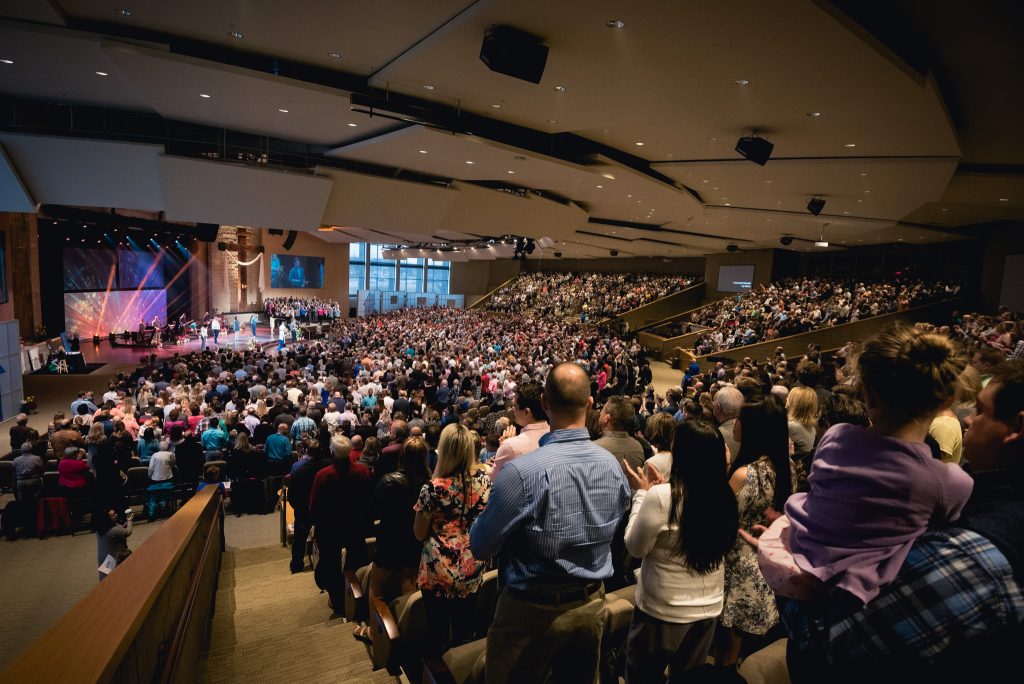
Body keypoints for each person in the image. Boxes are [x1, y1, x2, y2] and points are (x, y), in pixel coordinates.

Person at [774, 359, 1024, 683]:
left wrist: (781, 557)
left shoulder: (977, 555)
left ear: (1017, 429)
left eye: (980, 409)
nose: (969, 420)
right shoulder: (958, 488)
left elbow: (824, 639)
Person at [757, 327, 974, 605]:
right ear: (947, 400)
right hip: (857, 597)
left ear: (867, 395)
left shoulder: (836, 436)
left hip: (797, 561)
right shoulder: (952, 482)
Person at [470, 362, 631, 684]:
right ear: (589, 404)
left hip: (529, 612)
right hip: (590, 605)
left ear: (543, 403)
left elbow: (480, 546)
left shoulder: (521, 473)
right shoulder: (613, 467)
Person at [622, 421, 739, 682]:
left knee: (642, 676)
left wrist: (642, 495)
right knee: (689, 678)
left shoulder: (663, 497)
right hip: (708, 607)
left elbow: (634, 546)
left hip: (664, 609)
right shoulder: (725, 495)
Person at [716, 395, 794, 668]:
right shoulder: (785, 467)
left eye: (740, 420)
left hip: (737, 568)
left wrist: (722, 470)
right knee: (740, 655)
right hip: (766, 566)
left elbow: (718, 517)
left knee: (726, 656)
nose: (734, 424)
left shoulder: (745, 474)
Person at [414, 423, 492, 655]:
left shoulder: (432, 488)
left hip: (437, 566)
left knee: (437, 630)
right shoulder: (485, 481)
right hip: (473, 560)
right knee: (465, 628)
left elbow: (419, 533)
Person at [354, 436, 431, 642]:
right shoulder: (431, 483)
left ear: (403, 456)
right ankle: (404, 631)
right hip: (416, 541)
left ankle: (375, 632)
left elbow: (371, 512)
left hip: (390, 541)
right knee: (409, 586)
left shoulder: (389, 481)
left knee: (377, 590)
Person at [309, 435, 370, 611]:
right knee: (357, 560)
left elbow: (314, 506)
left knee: (331, 564)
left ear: (332, 452)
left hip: (330, 528)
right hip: (355, 525)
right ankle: (358, 599)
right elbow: (367, 499)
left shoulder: (323, 475)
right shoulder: (362, 471)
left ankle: (337, 602)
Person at [489, 380, 549, 480]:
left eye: (514, 406)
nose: (512, 410)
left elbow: (493, 479)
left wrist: (507, 445)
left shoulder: (510, 446)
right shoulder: (554, 432)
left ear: (526, 412)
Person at [288, 437, 329, 573]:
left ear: (307, 451)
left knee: (299, 540)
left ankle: (297, 566)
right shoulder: (329, 466)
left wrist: (299, 508)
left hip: (304, 510)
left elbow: (291, 497)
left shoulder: (298, 471)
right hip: (325, 509)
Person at [595, 395, 646, 487]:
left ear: (607, 417)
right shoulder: (638, 447)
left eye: (602, 410)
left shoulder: (595, 448)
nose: (599, 413)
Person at [94, 506, 133, 581]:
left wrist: (121, 527)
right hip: (112, 558)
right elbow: (128, 532)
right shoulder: (114, 530)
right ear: (108, 518)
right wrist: (130, 519)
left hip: (103, 557)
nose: (116, 515)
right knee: (116, 578)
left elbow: (116, 531)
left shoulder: (100, 529)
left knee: (105, 578)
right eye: (113, 515)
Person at [712, 387, 743, 467]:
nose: (712, 403)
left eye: (713, 401)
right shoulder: (748, 428)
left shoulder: (715, 436)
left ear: (718, 407)